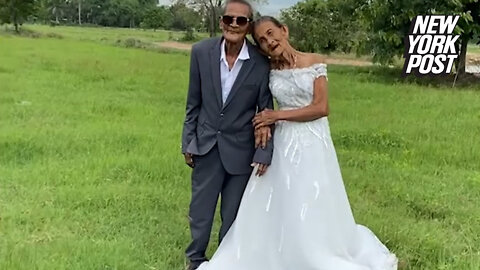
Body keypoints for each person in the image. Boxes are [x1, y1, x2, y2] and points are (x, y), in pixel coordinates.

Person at [197, 16, 398, 270]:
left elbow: (321, 107)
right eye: (262, 40)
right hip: (284, 142)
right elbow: (258, 102)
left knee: (313, 194)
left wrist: (276, 115)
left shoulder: (314, 62)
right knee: (277, 197)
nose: (270, 41)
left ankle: (316, 249)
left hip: (314, 139)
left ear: (284, 30)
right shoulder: (267, 69)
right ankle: (273, 249)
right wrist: (263, 125)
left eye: (272, 33)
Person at [181, 1, 275, 269]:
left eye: (241, 21)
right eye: (229, 19)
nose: (234, 24)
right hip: (206, 145)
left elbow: (265, 110)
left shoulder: (260, 62)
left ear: (248, 26)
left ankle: (225, 261)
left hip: (241, 151)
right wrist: (188, 140)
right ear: (221, 21)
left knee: (232, 215)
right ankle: (196, 260)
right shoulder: (200, 52)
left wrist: (263, 152)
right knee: (201, 211)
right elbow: (193, 102)